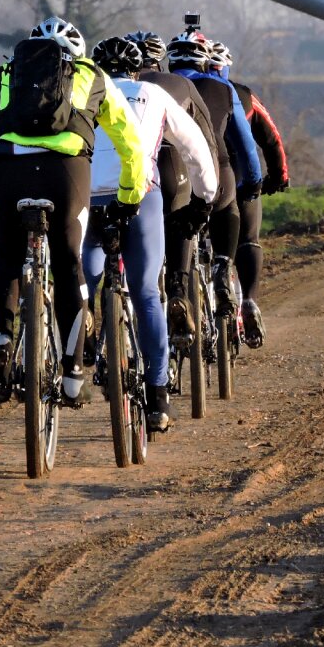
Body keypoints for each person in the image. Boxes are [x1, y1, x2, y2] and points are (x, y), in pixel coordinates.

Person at [0, 17, 147, 408]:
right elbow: (129, 141)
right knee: (69, 264)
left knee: (7, 255)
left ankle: (3, 335)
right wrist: (129, 194)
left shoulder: (5, 75)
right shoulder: (93, 75)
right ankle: (72, 376)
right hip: (65, 175)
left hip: (9, 173)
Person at [83, 36, 216, 432]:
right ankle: (158, 395)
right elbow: (194, 146)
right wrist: (204, 198)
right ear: (137, 70)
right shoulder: (151, 94)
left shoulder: (84, 94)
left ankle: (80, 343)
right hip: (141, 196)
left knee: (84, 282)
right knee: (144, 292)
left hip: (89, 201)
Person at [124, 30, 219, 339]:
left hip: (134, 172)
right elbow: (206, 140)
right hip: (175, 167)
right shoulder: (180, 85)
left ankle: (120, 297)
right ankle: (178, 287)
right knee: (180, 224)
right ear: (160, 59)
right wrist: (207, 195)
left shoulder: (115, 88)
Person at [166, 30, 262, 316]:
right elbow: (246, 146)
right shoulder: (224, 88)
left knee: (176, 221)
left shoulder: (160, 86)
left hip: (174, 171)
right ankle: (222, 265)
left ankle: (176, 287)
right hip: (219, 170)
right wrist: (253, 182)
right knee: (227, 207)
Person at [209, 40, 289, 347]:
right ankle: (250, 301)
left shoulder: (184, 90)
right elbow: (271, 139)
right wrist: (279, 177)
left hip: (196, 179)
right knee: (248, 239)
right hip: (241, 177)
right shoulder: (242, 94)